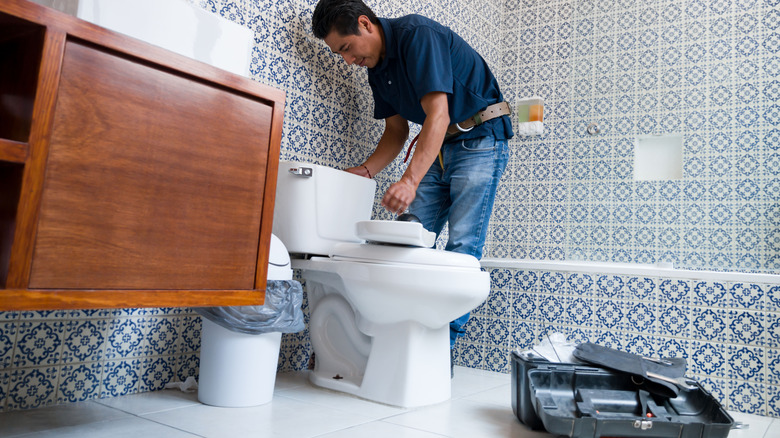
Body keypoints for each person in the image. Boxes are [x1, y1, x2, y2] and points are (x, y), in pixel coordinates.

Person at [311, 0, 513, 362]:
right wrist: (367, 170)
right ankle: (403, 339)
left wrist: (409, 180)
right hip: (438, 145)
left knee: (463, 246)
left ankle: (442, 351)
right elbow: (396, 129)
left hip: (481, 136)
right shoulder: (376, 68)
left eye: (345, 48)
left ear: (365, 24)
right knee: (407, 242)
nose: (347, 61)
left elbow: (438, 113)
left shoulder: (417, 35)